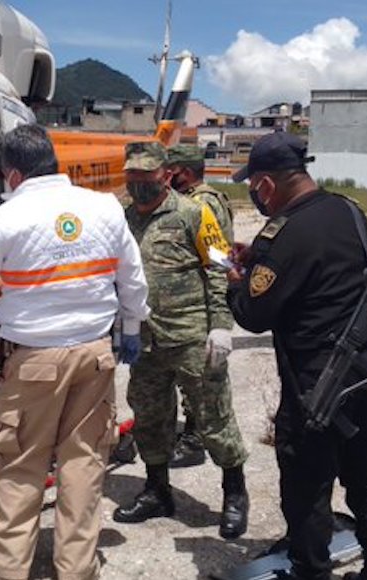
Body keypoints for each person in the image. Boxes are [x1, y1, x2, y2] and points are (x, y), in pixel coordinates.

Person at [0, 124, 150, 580]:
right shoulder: (104, 206)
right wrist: (131, 325)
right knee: (83, 464)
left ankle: (7, 572)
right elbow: (132, 277)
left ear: (12, 173)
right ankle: (77, 570)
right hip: (94, 356)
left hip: (34, 361)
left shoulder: (7, 217)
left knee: (21, 466)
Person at [225, 131, 367, 580]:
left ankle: (310, 570)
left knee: (307, 487)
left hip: (316, 387)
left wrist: (237, 281)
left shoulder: (284, 233)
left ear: (266, 185)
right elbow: (327, 265)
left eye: (254, 187)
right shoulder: (349, 211)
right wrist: (261, 260)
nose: (256, 196)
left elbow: (253, 314)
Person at [115, 141, 249, 539]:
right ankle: (157, 490)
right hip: (145, 340)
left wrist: (221, 324)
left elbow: (220, 267)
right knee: (150, 417)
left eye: (147, 175)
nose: (139, 182)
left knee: (213, 415)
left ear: (165, 174)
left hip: (191, 336)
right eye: (132, 175)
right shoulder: (122, 219)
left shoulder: (194, 212)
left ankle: (234, 493)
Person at [163, 143, 237, 469]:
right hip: (203, 296)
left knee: (199, 377)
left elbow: (217, 257)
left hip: (203, 299)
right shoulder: (210, 197)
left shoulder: (200, 203)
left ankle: (195, 440)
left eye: (171, 172)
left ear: (185, 172)